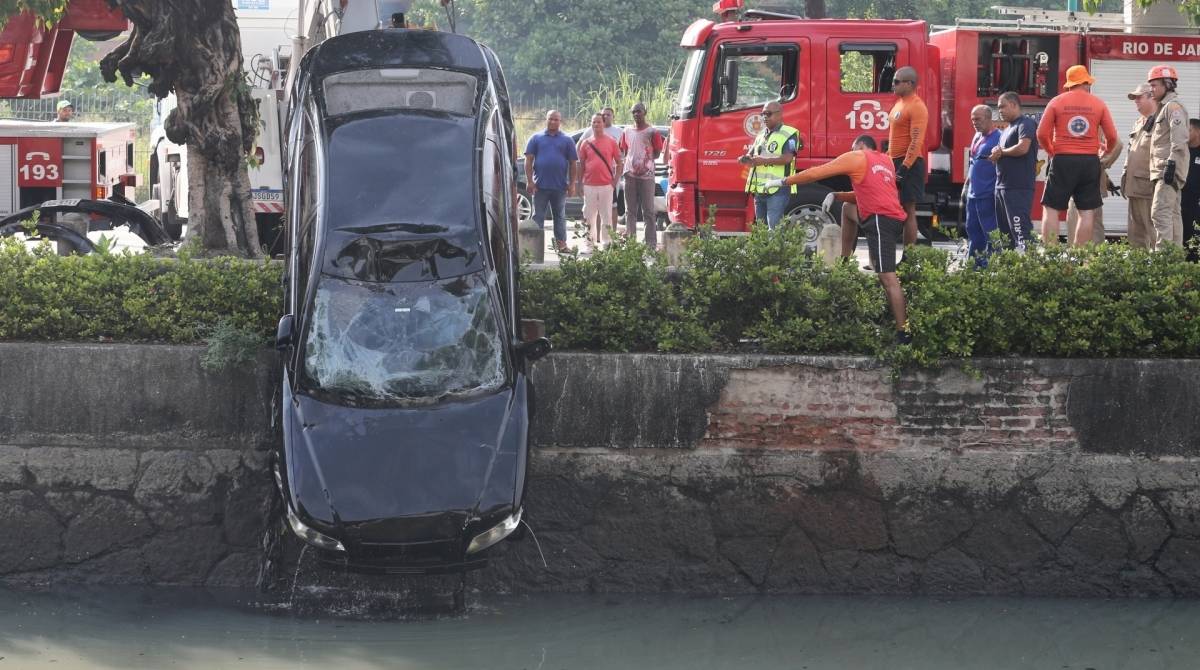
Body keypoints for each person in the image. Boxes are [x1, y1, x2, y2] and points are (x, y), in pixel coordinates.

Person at [765, 134, 909, 343]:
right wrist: (837, 195)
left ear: (860, 146)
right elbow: (870, 193)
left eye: (852, 147)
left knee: (888, 278)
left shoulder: (857, 156)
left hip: (880, 220)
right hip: (888, 217)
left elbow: (817, 172)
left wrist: (783, 181)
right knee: (848, 209)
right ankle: (844, 262)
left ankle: (904, 333)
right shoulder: (885, 160)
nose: (850, 151)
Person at [1036, 65, 1119, 246]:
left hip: (1063, 159)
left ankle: (1050, 254)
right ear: (1086, 83)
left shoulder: (1056, 102)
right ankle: (1079, 257)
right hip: (1090, 161)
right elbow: (1112, 136)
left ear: (1070, 84)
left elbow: (1041, 134)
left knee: (1051, 208)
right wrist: (1105, 150)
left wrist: (1052, 151)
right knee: (1086, 211)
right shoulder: (1098, 104)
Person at [989, 91, 1039, 251]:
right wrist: (996, 154)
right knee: (1005, 235)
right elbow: (1004, 152)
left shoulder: (1026, 123)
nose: (1000, 111)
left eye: (1002, 107)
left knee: (1020, 230)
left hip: (1018, 186)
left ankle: (1029, 267)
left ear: (1013, 104)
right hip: (1002, 186)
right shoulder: (1006, 129)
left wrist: (1002, 152)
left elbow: (1023, 148)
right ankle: (1008, 269)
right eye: (998, 108)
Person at [1147, 64, 1190, 249]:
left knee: (1160, 213)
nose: (1151, 89)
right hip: (1164, 169)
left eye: (1155, 85)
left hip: (1167, 169)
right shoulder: (1163, 108)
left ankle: (1163, 262)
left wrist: (1171, 165)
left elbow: (1179, 139)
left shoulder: (1173, 107)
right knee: (1172, 214)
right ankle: (1174, 261)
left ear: (1167, 85)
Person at [524, 109, 578, 254]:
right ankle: (535, 248)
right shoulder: (536, 138)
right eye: (550, 119)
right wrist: (530, 181)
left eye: (556, 119)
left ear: (560, 121)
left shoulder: (567, 140)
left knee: (559, 216)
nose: (553, 121)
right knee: (538, 217)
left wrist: (572, 184)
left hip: (560, 187)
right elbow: (528, 160)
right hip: (540, 186)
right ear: (546, 119)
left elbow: (573, 163)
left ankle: (561, 245)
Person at [740, 100, 799, 231]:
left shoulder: (790, 134)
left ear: (779, 115)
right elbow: (751, 155)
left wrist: (763, 160)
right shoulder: (761, 134)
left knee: (774, 230)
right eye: (763, 114)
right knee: (761, 230)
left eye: (768, 114)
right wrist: (745, 159)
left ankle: (777, 252)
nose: (765, 117)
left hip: (778, 189)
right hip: (760, 190)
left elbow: (788, 158)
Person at [887, 65, 928, 247]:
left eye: (896, 81)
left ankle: (908, 257)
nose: (893, 84)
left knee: (908, 210)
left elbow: (916, 141)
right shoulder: (900, 102)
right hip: (894, 161)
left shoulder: (917, 106)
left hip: (909, 164)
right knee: (891, 208)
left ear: (910, 84)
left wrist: (904, 167)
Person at [1119, 83, 1158, 249]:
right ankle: (1139, 272)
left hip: (1149, 187)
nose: (1135, 101)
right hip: (1134, 186)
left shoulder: (1161, 122)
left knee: (1155, 231)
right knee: (1136, 234)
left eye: (1139, 97)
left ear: (1152, 96)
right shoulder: (1139, 122)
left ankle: (1162, 271)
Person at [620, 102, 663, 246]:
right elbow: (625, 151)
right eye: (633, 112)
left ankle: (650, 244)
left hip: (647, 176)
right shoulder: (626, 131)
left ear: (645, 112)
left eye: (639, 111)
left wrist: (645, 163)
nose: (636, 114)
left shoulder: (653, 132)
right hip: (629, 175)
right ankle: (631, 243)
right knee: (630, 211)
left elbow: (657, 153)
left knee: (648, 211)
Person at [577, 112, 621, 253]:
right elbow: (581, 164)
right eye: (593, 122)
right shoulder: (585, 143)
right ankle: (589, 245)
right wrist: (579, 183)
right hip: (589, 185)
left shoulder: (611, 141)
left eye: (598, 122)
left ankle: (606, 243)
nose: (596, 124)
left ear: (603, 123)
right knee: (589, 216)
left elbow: (620, 163)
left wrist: (614, 181)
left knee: (606, 215)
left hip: (606, 185)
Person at [965, 104, 1001, 266]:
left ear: (989, 118)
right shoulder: (977, 136)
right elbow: (973, 161)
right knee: (972, 229)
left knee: (990, 231)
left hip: (987, 193)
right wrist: (967, 184)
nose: (975, 122)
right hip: (973, 192)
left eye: (978, 119)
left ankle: (992, 265)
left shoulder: (999, 137)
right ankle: (973, 264)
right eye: (972, 120)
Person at [1182, 118, 1200, 261]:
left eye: (1189, 129)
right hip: (1181, 202)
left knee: (1195, 239)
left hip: (1197, 205)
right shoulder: (1182, 151)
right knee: (1182, 237)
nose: (1185, 133)